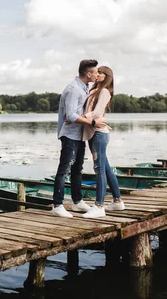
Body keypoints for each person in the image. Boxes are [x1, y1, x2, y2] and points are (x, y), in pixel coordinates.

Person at [52, 59, 107, 218]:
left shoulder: (85, 88)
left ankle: (77, 202)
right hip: (69, 135)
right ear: (89, 74)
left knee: (77, 169)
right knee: (64, 170)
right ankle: (57, 205)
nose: (97, 74)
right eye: (96, 72)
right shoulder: (74, 89)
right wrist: (92, 122)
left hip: (79, 134)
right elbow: (70, 115)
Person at [81, 66, 125, 218]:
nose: (97, 74)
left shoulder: (104, 91)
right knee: (105, 168)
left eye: (100, 72)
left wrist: (80, 118)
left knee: (99, 168)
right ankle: (117, 201)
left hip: (99, 134)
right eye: (97, 72)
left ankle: (99, 206)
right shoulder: (93, 90)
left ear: (107, 77)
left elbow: (98, 113)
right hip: (94, 132)